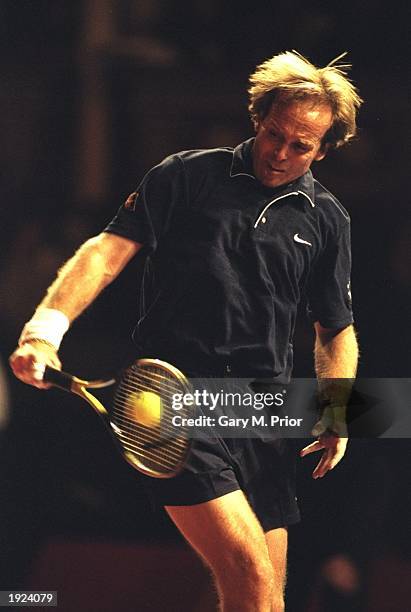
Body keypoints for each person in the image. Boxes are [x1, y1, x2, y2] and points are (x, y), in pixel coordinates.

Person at [10, 51, 362, 611]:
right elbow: (105, 254)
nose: (281, 153)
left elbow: (335, 330)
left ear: (323, 149)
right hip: (170, 398)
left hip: (257, 412)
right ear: (258, 118)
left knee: (267, 599)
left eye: (301, 145)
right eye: (275, 134)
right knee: (247, 574)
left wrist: (338, 410)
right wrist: (43, 330)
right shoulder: (186, 175)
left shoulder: (327, 220)